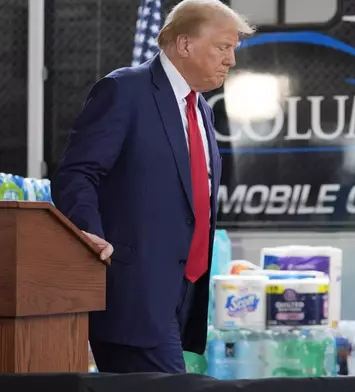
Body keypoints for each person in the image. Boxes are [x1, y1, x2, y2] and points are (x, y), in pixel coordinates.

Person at [52, 0, 254, 374]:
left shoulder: (201, 109)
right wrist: (88, 238)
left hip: (183, 293)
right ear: (184, 44)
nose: (231, 61)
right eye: (223, 47)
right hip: (133, 290)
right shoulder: (124, 90)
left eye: (233, 50)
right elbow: (77, 174)